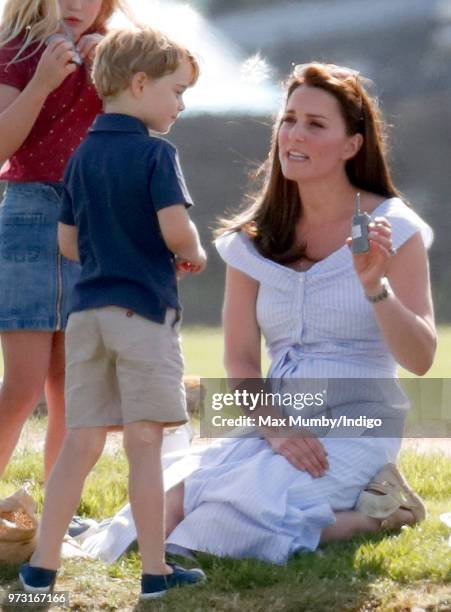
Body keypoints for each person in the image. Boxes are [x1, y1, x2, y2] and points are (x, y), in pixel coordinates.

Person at [159, 62, 436, 564]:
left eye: (315, 123)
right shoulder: (253, 239)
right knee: (167, 512)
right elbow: (241, 362)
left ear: (352, 144)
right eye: (288, 119)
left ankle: (384, 512)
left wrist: (376, 288)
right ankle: (360, 509)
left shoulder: (395, 227)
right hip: (279, 417)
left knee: (224, 526)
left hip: (360, 419)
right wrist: (278, 430)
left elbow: (420, 359)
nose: (294, 134)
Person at [19, 27, 207, 599]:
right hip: (143, 315)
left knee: (81, 441)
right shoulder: (157, 153)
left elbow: (69, 243)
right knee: (145, 443)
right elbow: (176, 228)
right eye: (176, 91)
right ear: (140, 82)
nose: (181, 104)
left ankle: (41, 567)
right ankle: (155, 571)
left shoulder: (81, 155)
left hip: (86, 317)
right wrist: (191, 252)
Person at [0, 0, 132, 481]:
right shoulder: (17, 49)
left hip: (97, 219)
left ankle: (59, 511)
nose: (76, 4)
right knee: (22, 384)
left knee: (74, 387)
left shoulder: (121, 53)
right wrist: (41, 83)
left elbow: (161, 117)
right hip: (31, 213)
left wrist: (115, 75)